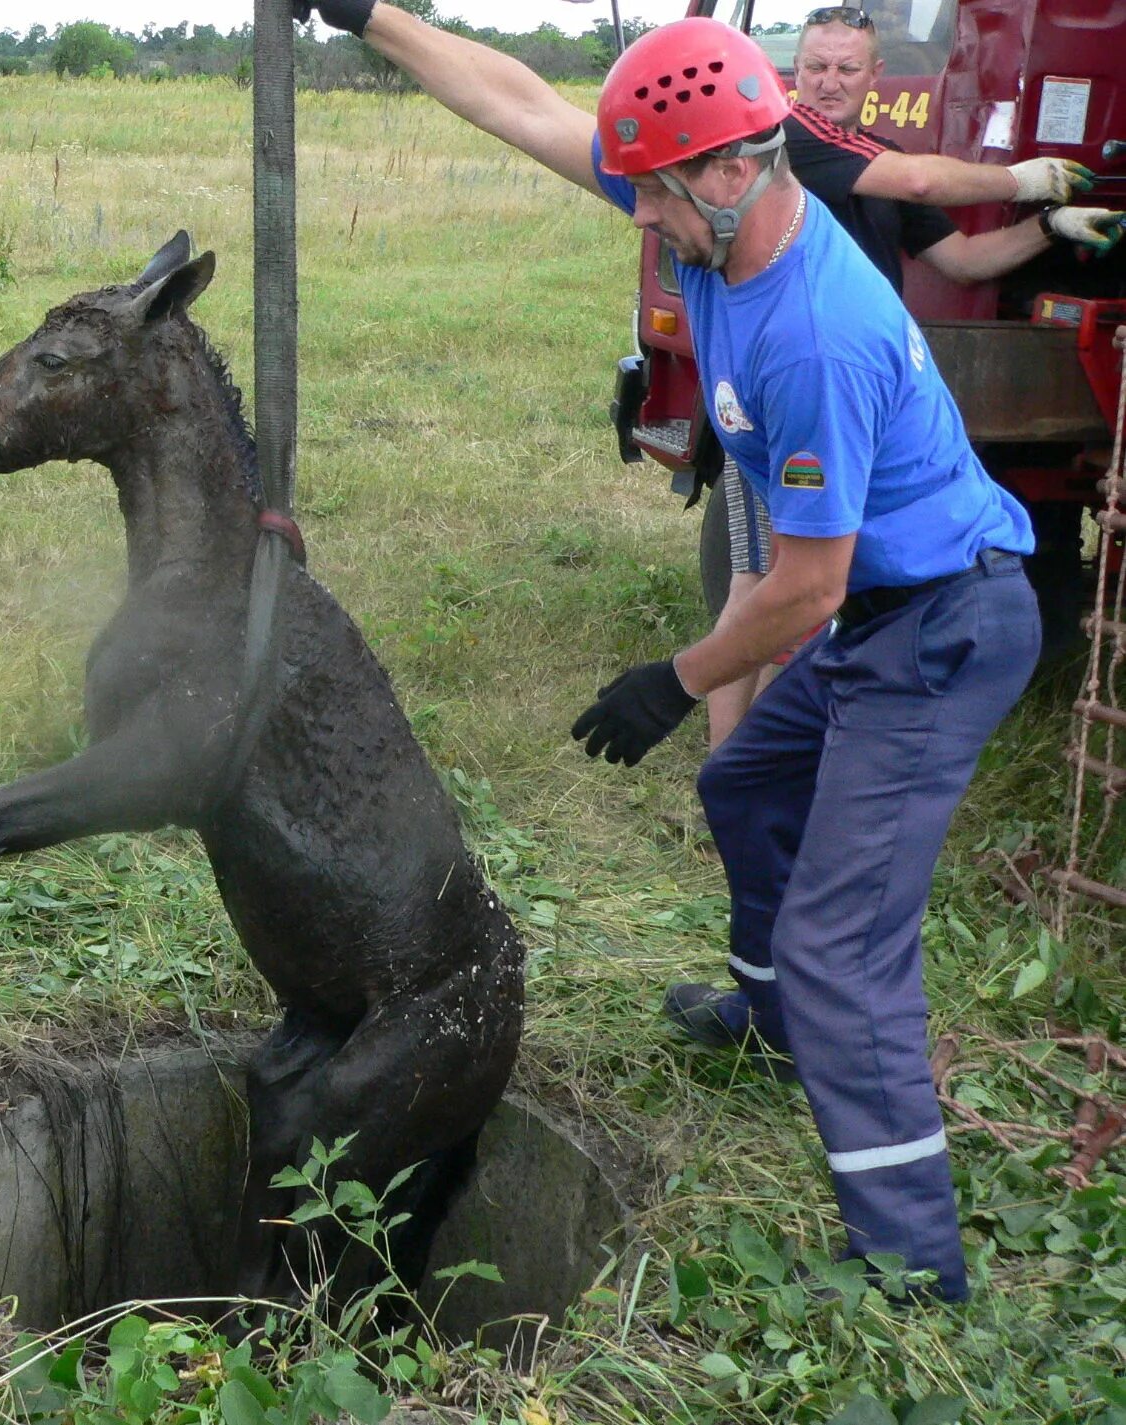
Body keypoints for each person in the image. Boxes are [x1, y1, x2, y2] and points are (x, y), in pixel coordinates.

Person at [292, 0, 1041, 1301]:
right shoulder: (705, 198)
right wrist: (372, 17)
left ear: (731, 172)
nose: (635, 219)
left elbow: (802, 590)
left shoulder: (816, 332)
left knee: (844, 945)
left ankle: (913, 1266)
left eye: (652, 200)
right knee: (741, 785)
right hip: (879, 610)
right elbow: (517, 101)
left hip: (946, 625)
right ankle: (766, 1010)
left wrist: (672, 679)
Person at [706, 4, 1123, 742]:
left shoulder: (869, 157)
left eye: (843, 69)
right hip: (782, 396)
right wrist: (1022, 181)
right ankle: (726, 761)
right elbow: (926, 183)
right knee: (759, 584)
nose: (826, 82)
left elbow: (963, 260)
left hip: (857, 401)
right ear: (791, 74)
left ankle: (764, 758)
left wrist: (1049, 227)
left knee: (807, 590)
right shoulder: (789, 141)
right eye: (813, 67)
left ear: (875, 76)